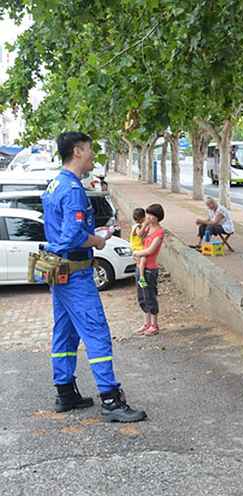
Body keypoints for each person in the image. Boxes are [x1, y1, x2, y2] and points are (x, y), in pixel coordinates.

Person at [41, 131, 145, 422]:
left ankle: (65, 392)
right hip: (75, 274)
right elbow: (74, 235)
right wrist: (98, 241)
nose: (92, 155)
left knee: (65, 332)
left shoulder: (54, 184)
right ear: (77, 151)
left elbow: (60, 230)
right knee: (96, 332)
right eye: (89, 150)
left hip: (59, 271)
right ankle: (111, 399)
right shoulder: (73, 189)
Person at [133, 203, 165, 337]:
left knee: (150, 296)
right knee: (142, 296)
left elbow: (152, 250)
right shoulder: (149, 228)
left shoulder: (159, 232)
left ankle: (154, 324)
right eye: (148, 214)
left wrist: (137, 253)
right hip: (140, 266)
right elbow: (139, 236)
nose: (149, 217)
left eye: (152, 215)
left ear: (157, 217)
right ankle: (146, 323)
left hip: (150, 269)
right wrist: (145, 224)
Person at [129, 207, 148, 288]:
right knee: (142, 261)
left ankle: (140, 277)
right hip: (137, 248)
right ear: (142, 218)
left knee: (139, 263)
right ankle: (141, 278)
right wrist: (146, 225)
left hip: (137, 247)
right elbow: (140, 234)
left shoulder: (138, 225)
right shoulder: (137, 226)